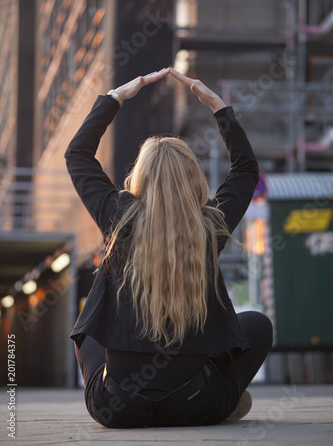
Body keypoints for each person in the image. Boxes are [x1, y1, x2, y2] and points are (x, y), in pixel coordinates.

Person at [65, 67, 273, 428]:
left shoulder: (118, 217)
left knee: (86, 332)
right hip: (194, 406)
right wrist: (218, 107)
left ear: (140, 177)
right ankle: (221, 395)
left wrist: (115, 98)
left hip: (116, 409)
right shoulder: (211, 225)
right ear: (193, 176)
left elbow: (78, 155)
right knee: (258, 325)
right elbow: (245, 169)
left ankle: (201, 392)